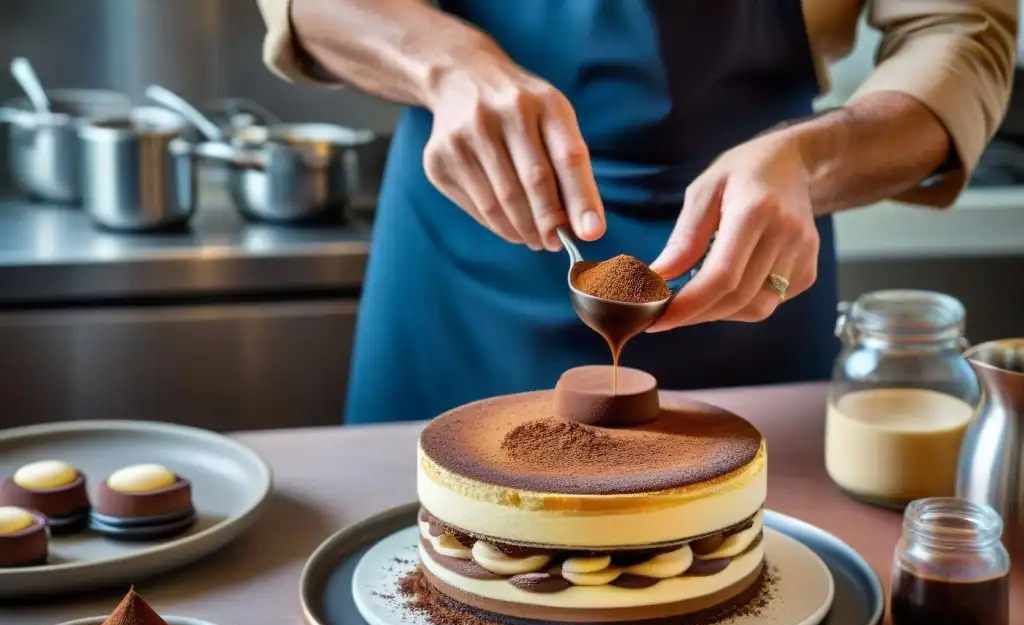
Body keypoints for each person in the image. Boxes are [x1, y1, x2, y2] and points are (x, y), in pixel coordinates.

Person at [257, 0, 1016, 424]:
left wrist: (809, 163)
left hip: (750, 250)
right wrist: (446, 64)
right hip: (465, 240)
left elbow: (961, 32)